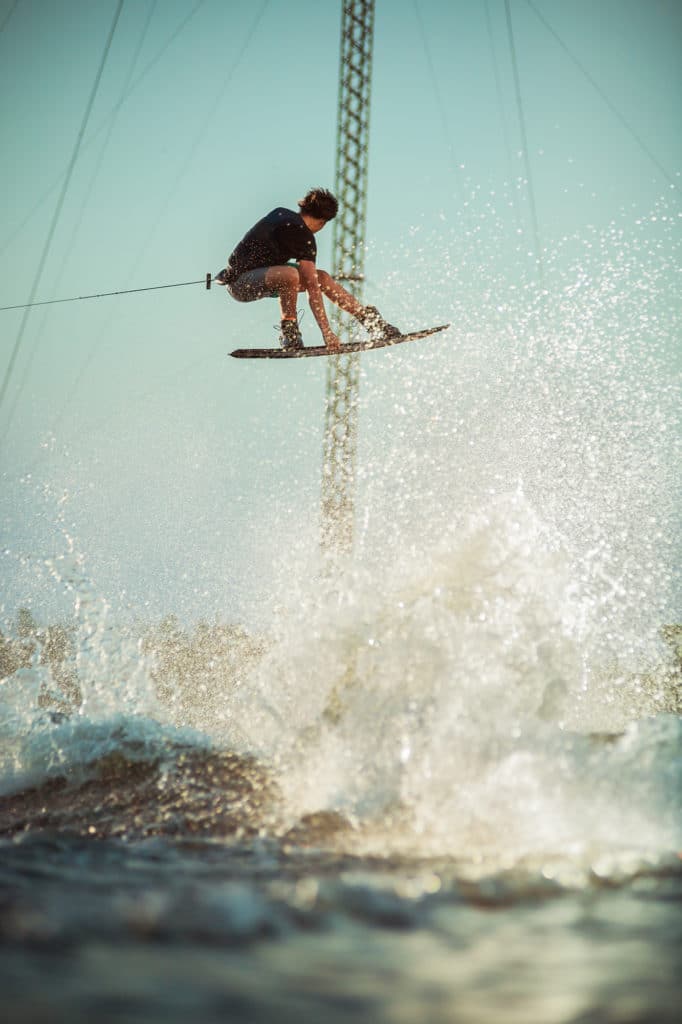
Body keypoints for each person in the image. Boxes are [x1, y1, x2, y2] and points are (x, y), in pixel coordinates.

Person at [215, 187, 400, 351]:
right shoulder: (304, 236)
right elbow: (311, 287)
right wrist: (327, 332)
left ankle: (371, 321)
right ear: (322, 221)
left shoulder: (281, 213)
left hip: (262, 275)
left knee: (322, 278)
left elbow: (314, 282)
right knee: (291, 275)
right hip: (241, 283)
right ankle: (290, 332)